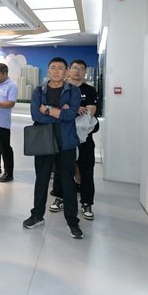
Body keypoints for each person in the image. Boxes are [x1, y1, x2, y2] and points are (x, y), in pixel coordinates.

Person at [23, 57, 83, 239]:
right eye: (53, 67)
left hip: (66, 142)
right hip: (44, 141)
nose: (56, 71)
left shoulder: (73, 90)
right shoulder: (38, 90)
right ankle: (37, 215)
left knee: (68, 182)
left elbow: (71, 114)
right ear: (48, 70)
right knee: (41, 179)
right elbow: (36, 115)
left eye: (60, 68)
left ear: (66, 72)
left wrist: (47, 110)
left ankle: (72, 222)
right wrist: (59, 112)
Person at [50, 59, 98, 219]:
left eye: (81, 68)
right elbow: (55, 110)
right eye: (75, 68)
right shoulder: (61, 88)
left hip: (84, 138)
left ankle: (86, 202)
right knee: (61, 169)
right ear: (69, 70)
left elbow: (89, 113)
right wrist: (75, 110)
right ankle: (59, 197)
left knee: (86, 170)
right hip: (63, 135)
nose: (77, 71)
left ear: (85, 72)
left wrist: (69, 110)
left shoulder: (89, 90)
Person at [0, 63, 18, 182]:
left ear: (5, 73)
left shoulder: (12, 86)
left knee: (4, 147)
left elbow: (10, 103)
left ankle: (8, 172)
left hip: (3, 122)